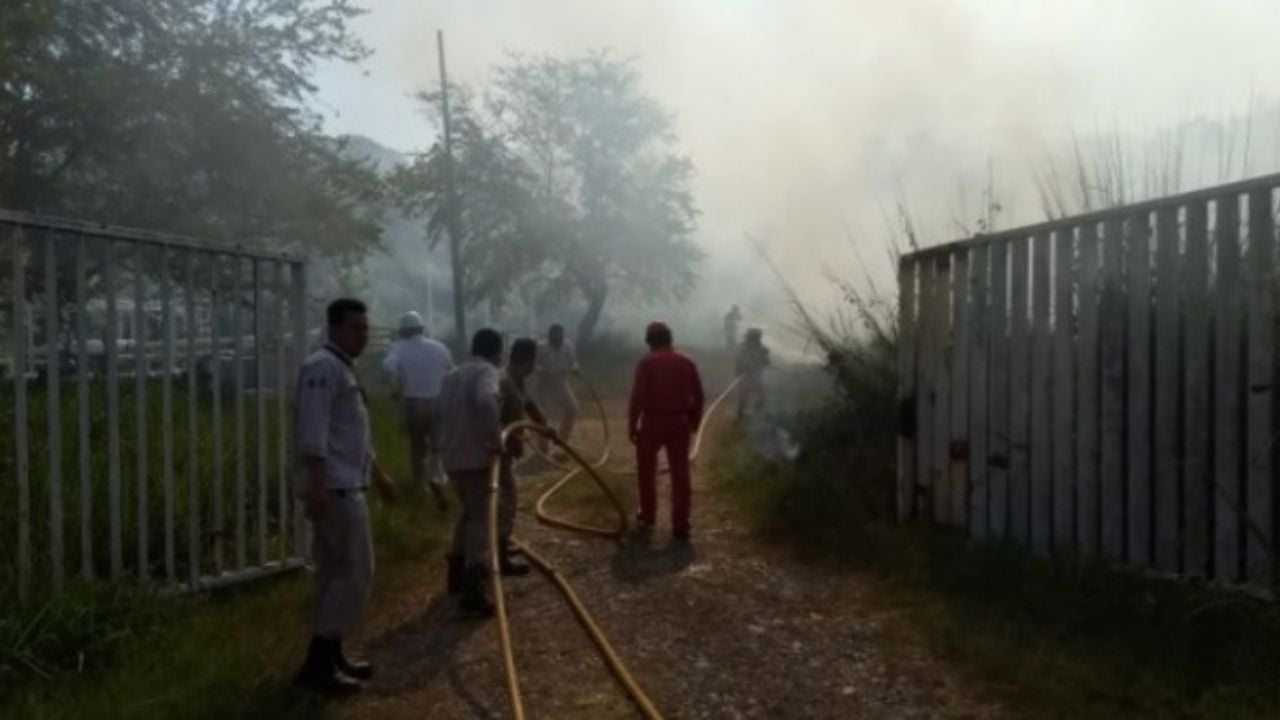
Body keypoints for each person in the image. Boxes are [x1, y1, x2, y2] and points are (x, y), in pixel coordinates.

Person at [293, 298, 398, 695]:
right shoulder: (323, 367)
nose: (363, 335)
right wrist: (318, 483)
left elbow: (352, 436)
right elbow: (314, 431)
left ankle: (329, 655)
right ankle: (320, 661)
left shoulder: (340, 367)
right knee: (356, 573)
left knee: (334, 574)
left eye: (365, 328)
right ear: (334, 328)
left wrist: (381, 475)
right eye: (355, 328)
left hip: (345, 482)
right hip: (334, 488)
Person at [437, 328, 505, 616]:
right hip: (475, 457)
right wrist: (494, 440)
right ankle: (474, 589)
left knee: (467, 513)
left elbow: (440, 410)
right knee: (481, 520)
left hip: (451, 456)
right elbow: (485, 401)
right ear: (496, 351)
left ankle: (455, 573)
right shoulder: (487, 371)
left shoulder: (452, 375)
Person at [628, 321, 705, 543]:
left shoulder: (647, 363)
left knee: (646, 473)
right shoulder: (687, 362)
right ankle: (681, 525)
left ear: (650, 342)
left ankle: (648, 517)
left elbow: (637, 397)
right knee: (681, 475)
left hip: (652, 422)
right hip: (679, 422)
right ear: (670, 339)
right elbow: (699, 395)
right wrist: (694, 422)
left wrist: (632, 426)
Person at [382, 310, 454, 510]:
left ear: (403, 331)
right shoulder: (439, 347)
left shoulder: (399, 348)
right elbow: (451, 371)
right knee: (438, 446)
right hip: (439, 401)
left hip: (414, 403)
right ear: (422, 328)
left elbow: (388, 366)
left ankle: (420, 485)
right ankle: (438, 480)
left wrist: (396, 385)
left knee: (418, 447)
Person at [495, 338, 552, 576]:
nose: (535, 366)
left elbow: (529, 405)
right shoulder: (503, 381)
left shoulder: (517, 380)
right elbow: (493, 416)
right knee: (506, 499)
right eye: (534, 360)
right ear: (525, 359)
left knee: (506, 498)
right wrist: (512, 439)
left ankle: (500, 543)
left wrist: (544, 426)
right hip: (497, 450)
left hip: (507, 450)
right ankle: (499, 553)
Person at [535, 323, 579, 444]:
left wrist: (575, 368)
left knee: (573, 409)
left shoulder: (568, 346)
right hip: (545, 385)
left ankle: (563, 439)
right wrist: (541, 370)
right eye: (554, 334)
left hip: (561, 383)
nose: (557, 337)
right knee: (543, 415)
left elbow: (574, 361)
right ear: (549, 335)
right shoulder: (541, 347)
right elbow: (534, 364)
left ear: (562, 335)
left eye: (559, 334)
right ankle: (543, 446)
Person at [735, 327, 771, 420]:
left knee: (761, 397)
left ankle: (755, 413)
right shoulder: (744, 349)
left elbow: (766, 362)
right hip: (745, 377)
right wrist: (742, 370)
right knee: (744, 396)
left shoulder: (762, 350)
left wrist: (764, 361)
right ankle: (741, 414)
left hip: (756, 376)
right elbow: (739, 362)